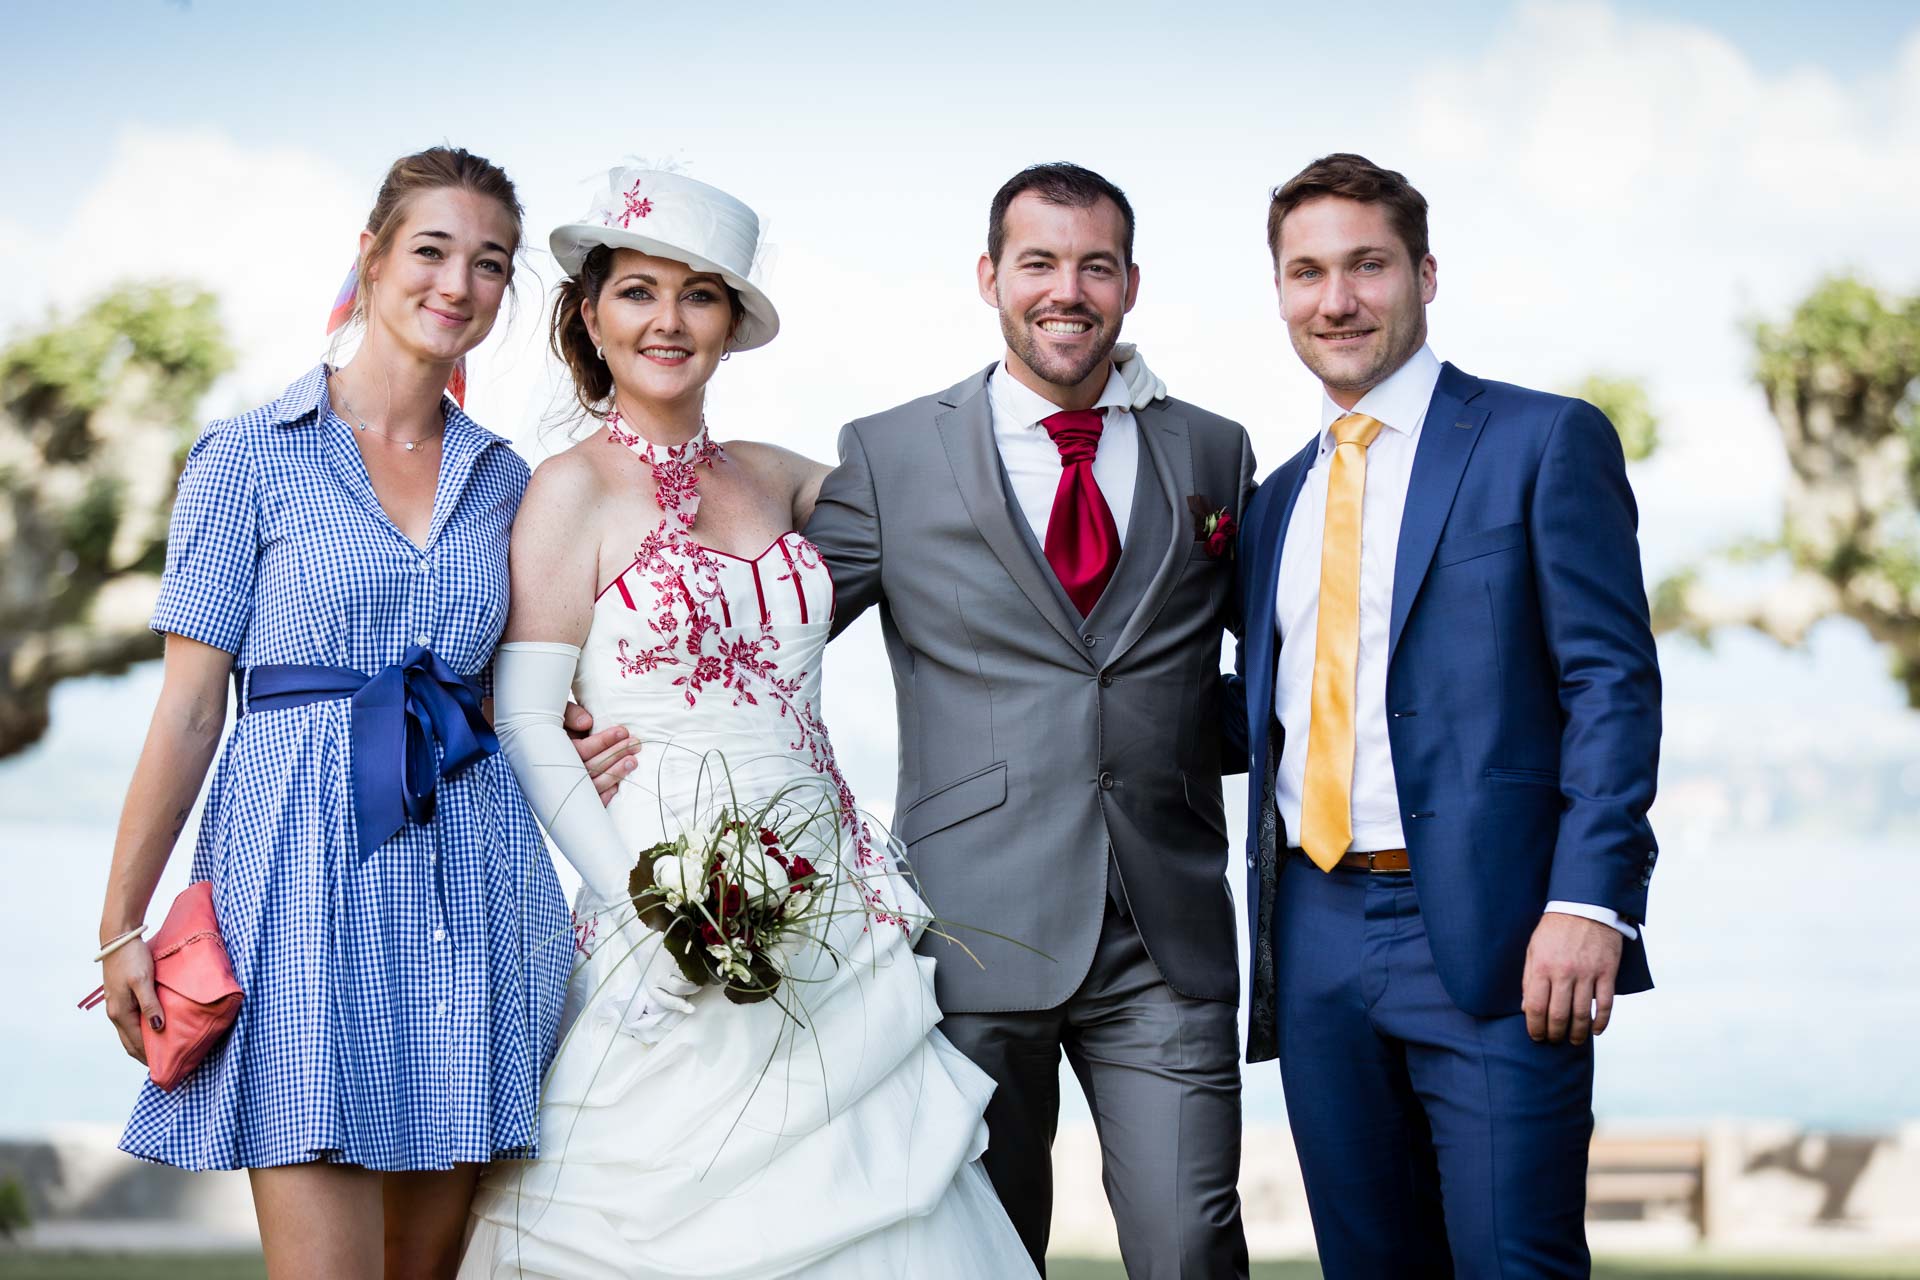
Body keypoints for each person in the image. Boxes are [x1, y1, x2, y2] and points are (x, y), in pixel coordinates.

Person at [459, 166, 1041, 1277]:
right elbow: (531, 719)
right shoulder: (566, 491)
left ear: (731, 324)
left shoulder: (781, 475)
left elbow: (959, 504)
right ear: (590, 312)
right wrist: (650, 908)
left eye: (700, 295)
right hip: (658, 881)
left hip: (828, 892)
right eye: (636, 291)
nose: (667, 321)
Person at [90, 146, 596, 1277]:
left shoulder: (509, 481)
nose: (457, 284)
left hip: (474, 894)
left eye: (489, 264)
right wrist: (123, 919)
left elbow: (534, 686)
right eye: (431, 250)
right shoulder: (246, 458)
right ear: (369, 257)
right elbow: (184, 712)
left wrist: (588, 733)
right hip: (298, 889)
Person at [805, 162, 1254, 1277]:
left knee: (1193, 1240)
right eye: (1040, 262)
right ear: (989, 276)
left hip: (1166, 926)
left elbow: (1285, 658)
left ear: (1131, 283)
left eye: (1095, 264)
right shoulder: (892, 453)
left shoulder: (1213, 450)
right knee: (984, 1252)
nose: (1068, 289)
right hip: (971, 927)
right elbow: (774, 640)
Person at [1231, 153, 1662, 1276]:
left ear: (1424, 273)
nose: (1337, 299)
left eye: (1366, 265)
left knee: (1514, 1260)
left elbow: (1611, 682)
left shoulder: (1541, 441)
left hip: (1501, 931)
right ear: (1279, 293)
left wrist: (1592, 901)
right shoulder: (1275, 500)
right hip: (1313, 933)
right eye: (1307, 272)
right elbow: (1258, 714)